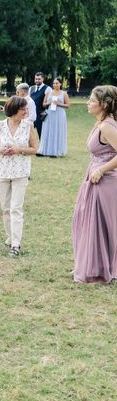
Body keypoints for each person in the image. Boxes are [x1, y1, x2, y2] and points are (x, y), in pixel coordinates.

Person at [72, 86, 117, 283]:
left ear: (104, 104)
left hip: (106, 181)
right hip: (94, 178)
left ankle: (104, 268)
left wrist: (101, 170)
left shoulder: (108, 126)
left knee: (102, 226)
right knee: (90, 223)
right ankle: (95, 265)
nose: (87, 103)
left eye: (91, 100)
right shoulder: (100, 123)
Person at [0, 96, 38, 257]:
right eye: (23, 109)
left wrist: (19, 149)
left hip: (21, 171)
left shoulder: (28, 126)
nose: (26, 112)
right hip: (3, 170)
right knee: (5, 208)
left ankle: (16, 245)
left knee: (16, 208)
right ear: (13, 109)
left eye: (26, 109)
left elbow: (34, 149)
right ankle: (10, 237)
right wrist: (1, 149)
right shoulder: (0, 125)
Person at [37, 76, 69, 157]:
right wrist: (48, 103)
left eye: (57, 83)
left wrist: (59, 104)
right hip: (50, 113)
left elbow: (67, 105)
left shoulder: (64, 93)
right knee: (48, 130)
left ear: (60, 84)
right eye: (54, 83)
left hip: (59, 114)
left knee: (57, 131)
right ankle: (44, 150)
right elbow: (43, 104)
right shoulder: (49, 93)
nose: (55, 85)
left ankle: (57, 151)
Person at [29, 72, 51, 138]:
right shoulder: (31, 88)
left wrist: (46, 112)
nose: (37, 81)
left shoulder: (48, 89)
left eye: (39, 79)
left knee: (42, 136)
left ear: (43, 79)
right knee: (28, 135)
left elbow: (49, 102)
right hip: (31, 115)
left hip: (41, 115)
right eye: (36, 79)